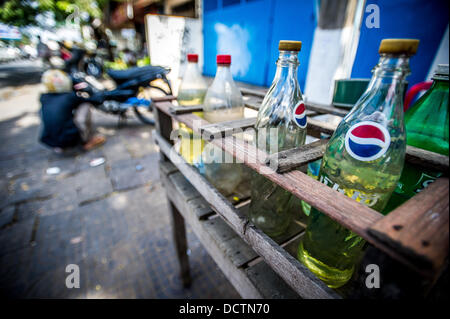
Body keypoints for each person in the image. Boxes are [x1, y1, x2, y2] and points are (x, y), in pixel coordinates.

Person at [39, 69, 106, 153]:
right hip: (70, 139)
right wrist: (99, 94)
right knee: (85, 105)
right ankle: (86, 141)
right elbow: (94, 100)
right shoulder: (69, 97)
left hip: (50, 141)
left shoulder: (44, 98)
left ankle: (62, 146)